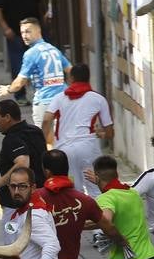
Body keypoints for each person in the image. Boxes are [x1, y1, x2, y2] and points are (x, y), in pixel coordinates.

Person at [45, 64, 113, 196]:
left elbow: (47, 119)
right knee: (95, 189)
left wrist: (45, 140)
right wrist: (100, 133)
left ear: (71, 78)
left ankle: (78, 215)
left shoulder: (58, 98)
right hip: (88, 148)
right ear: (88, 78)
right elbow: (109, 133)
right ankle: (99, 215)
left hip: (64, 151)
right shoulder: (98, 99)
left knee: (73, 190)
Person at [0, 18, 68, 129]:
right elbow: (70, 70)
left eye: (28, 31)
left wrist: (8, 89)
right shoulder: (53, 49)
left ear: (38, 31)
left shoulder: (31, 53)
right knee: (61, 137)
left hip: (44, 102)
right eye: (22, 32)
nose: (24, 36)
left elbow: (20, 82)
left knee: (45, 141)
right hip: (63, 100)